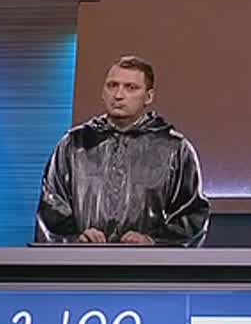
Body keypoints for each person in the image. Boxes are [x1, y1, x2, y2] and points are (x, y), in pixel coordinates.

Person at [35, 55, 209, 246]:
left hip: (147, 262)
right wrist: (77, 238)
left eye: (131, 87)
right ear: (103, 92)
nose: (118, 95)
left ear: (148, 96)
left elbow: (192, 215)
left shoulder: (174, 148)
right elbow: (51, 207)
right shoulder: (74, 144)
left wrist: (152, 241)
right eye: (112, 85)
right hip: (83, 260)